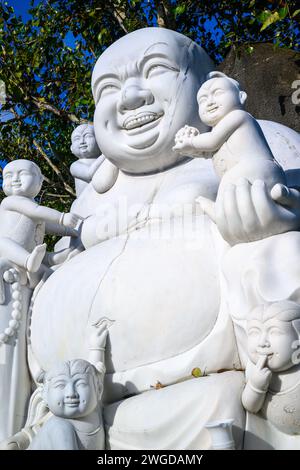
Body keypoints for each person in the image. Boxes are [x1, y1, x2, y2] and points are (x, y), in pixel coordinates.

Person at [20, 28, 300, 450]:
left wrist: (263, 211)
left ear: (207, 84)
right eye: (109, 89)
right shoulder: (94, 191)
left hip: (210, 378)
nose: (130, 98)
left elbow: (283, 197)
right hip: (72, 402)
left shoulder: (257, 135)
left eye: (156, 70)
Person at [173, 72, 287, 232]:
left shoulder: (238, 116)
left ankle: (221, 214)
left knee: (229, 186)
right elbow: (209, 151)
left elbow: (212, 141)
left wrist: (191, 142)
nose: (210, 102)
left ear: (241, 97)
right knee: (233, 193)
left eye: (218, 93)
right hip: (244, 177)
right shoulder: (218, 129)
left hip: (258, 169)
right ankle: (229, 217)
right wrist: (190, 150)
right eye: (202, 100)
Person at [0, 159, 80, 273]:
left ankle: (52, 259)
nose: (15, 179)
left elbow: (47, 225)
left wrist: (70, 231)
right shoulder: (10, 201)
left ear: (40, 181)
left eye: (23, 174)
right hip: (8, 251)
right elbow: (35, 211)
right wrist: (62, 218)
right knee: (2, 242)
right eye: (8, 176)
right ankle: (28, 261)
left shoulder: (33, 207)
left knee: (39, 252)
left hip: (31, 251)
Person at [242, 301, 300, 435]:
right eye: (254, 332)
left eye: (274, 332)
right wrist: (256, 386)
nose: (262, 342)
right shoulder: (254, 369)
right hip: (277, 435)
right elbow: (251, 407)